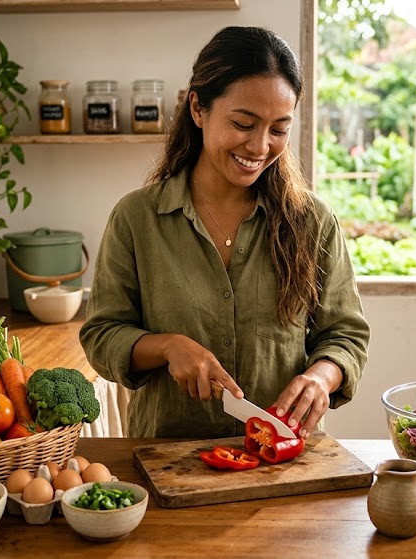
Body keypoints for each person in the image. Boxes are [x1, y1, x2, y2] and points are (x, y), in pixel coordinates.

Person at [79, 26, 369, 440]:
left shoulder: (313, 221)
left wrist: (322, 376)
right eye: (243, 123)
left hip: (285, 457)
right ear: (198, 109)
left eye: (279, 129)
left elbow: (346, 334)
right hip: (167, 457)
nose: (260, 146)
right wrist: (167, 347)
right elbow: (102, 335)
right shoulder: (137, 218)